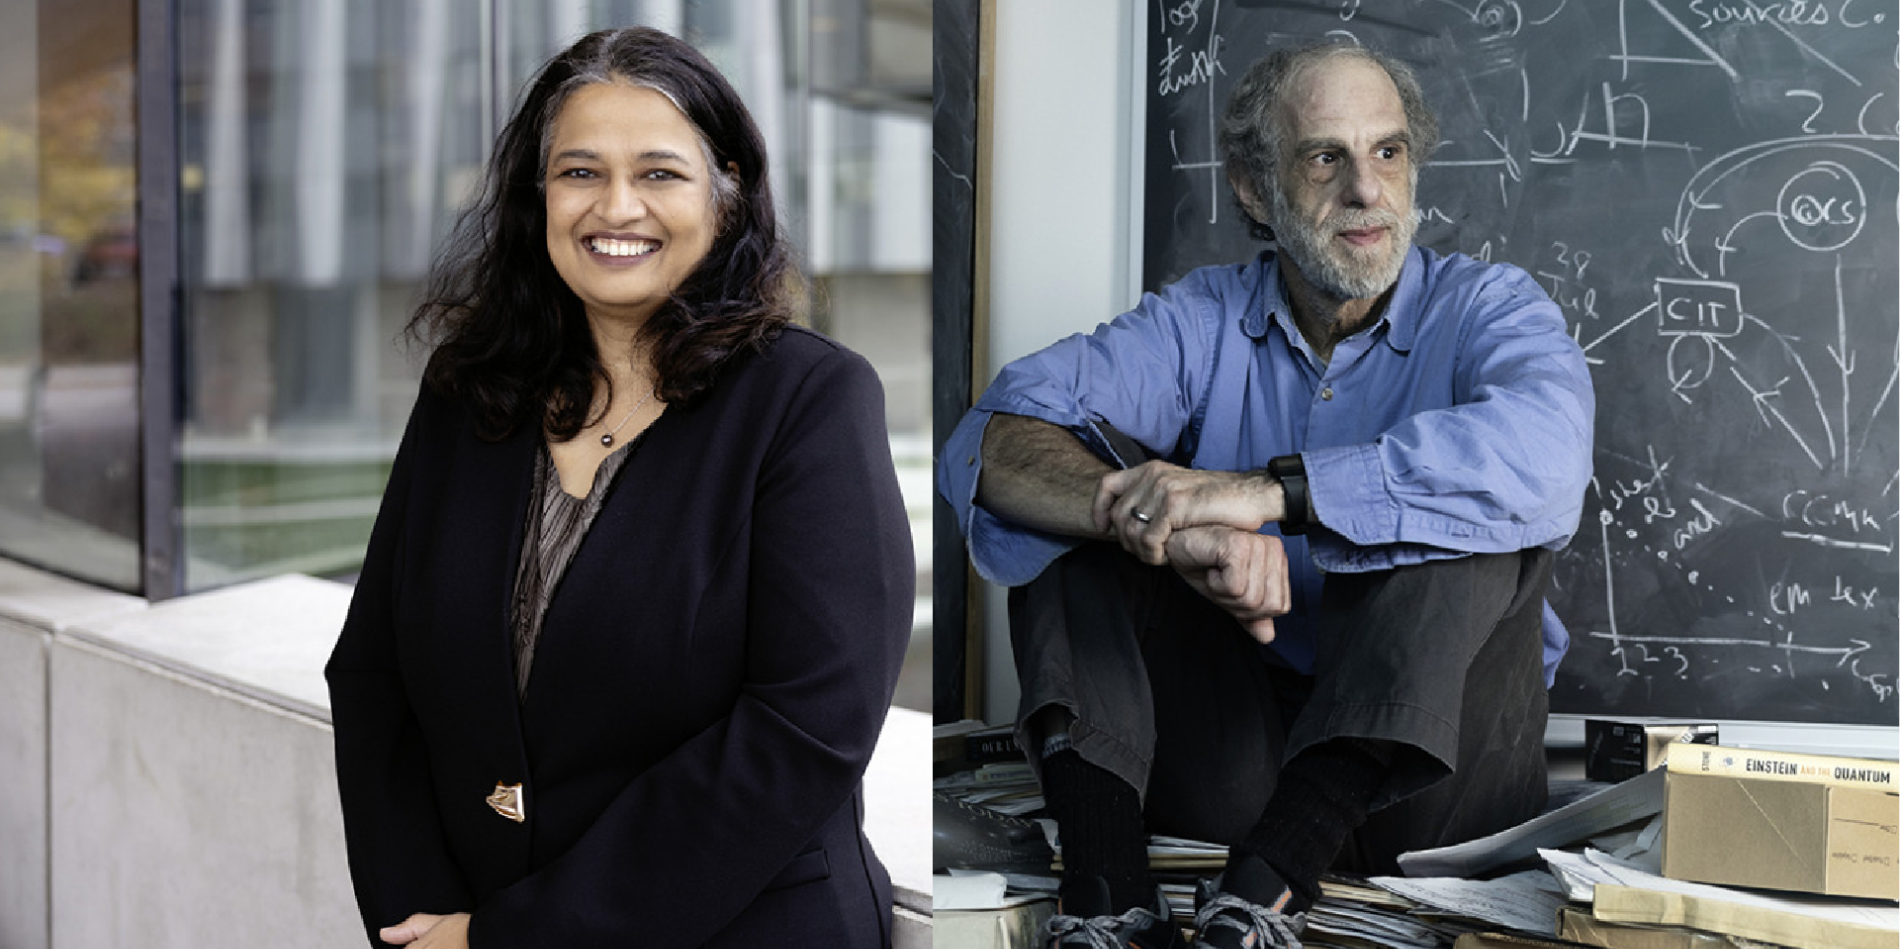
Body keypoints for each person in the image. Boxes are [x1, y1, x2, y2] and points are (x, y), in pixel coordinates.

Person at [938, 40, 1594, 949]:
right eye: (1325, 157)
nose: (1366, 189)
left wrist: (1262, 495)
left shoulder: (1489, 307)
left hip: (1442, 785)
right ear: (1254, 188)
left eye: (1389, 151)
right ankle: (1108, 891)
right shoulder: (1202, 319)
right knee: (1089, 486)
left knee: (1471, 507)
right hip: (1242, 767)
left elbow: (1549, 454)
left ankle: (1267, 889)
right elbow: (992, 437)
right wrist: (1158, 523)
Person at [325, 27, 913, 948]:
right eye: (580, 172)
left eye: (659, 173)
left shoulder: (809, 400)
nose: (617, 206)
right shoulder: (468, 391)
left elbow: (806, 729)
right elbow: (373, 673)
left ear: (725, 191)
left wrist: (513, 937)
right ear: (540, 195)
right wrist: (418, 918)